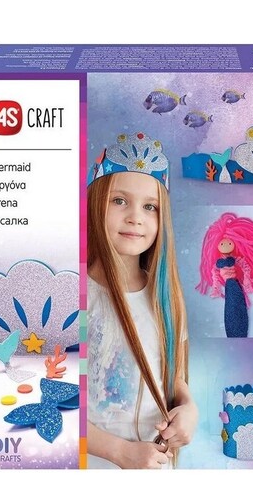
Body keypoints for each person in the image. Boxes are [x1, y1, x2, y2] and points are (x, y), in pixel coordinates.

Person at [87, 133, 197, 468]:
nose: (136, 217)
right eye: (120, 201)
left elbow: (172, 376)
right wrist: (120, 452)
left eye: (150, 207)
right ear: (95, 204)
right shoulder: (73, 297)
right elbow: (52, 402)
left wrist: (189, 409)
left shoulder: (167, 297)